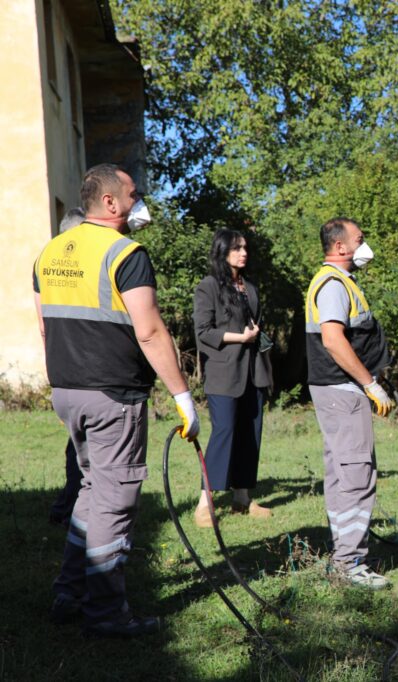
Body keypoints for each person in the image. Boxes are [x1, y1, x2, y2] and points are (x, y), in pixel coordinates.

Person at [34, 164, 200, 637]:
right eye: (133, 193)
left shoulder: (49, 252)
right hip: (113, 394)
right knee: (115, 501)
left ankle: (71, 592)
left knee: (91, 491)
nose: (139, 200)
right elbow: (148, 329)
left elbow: (45, 325)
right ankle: (106, 613)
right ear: (110, 203)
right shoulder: (126, 252)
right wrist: (184, 397)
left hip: (67, 390)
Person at [304, 217, 394, 590]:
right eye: (360, 239)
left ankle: (345, 557)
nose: (365, 246)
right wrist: (369, 383)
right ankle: (350, 563)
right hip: (342, 391)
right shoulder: (332, 285)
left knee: (344, 474)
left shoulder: (342, 283)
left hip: (340, 390)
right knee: (356, 474)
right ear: (340, 247)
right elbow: (334, 341)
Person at [192, 229, 273, 527]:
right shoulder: (208, 287)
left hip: (254, 371)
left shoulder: (250, 288)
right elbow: (203, 332)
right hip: (224, 373)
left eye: (245, 248)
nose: (243, 253)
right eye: (237, 248)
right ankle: (205, 503)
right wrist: (240, 337)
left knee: (250, 434)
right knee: (224, 431)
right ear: (223, 251)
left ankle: (242, 498)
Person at [47, 207, 87, 528]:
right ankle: (68, 509)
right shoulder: (64, 270)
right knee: (79, 444)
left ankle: (68, 507)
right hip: (79, 371)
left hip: (66, 372)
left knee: (78, 441)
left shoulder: (48, 266)